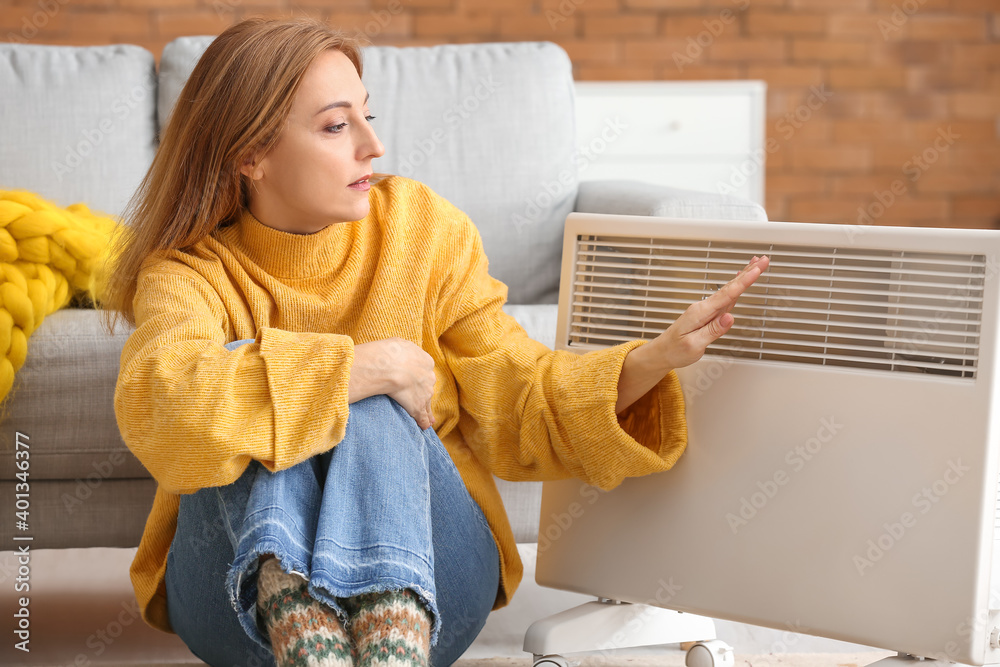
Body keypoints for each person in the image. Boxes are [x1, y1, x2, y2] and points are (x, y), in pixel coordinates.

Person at [96, 16, 769, 667]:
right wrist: (370, 365)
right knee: (298, 381)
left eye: (368, 117)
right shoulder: (186, 274)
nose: (371, 145)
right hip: (241, 610)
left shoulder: (421, 230)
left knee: (367, 400)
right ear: (250, 154)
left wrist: (651, 360)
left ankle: (387, 635)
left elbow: (517, 395)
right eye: (336, 126)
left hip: (433, 587)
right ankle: (306, 630)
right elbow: (160, 406)